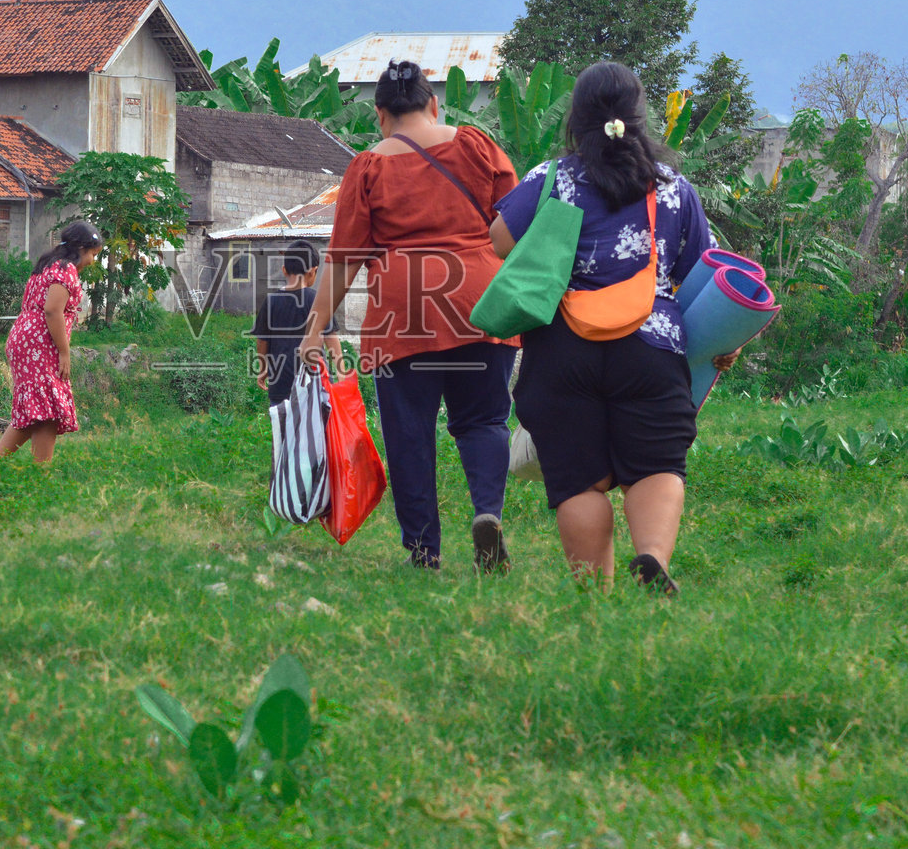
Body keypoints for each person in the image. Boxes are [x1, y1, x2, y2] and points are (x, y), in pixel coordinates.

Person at [490, 61, 739, 594]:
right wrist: (722, 341)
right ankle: (650, 558)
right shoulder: (674, 189)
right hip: (650, 347)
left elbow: (499, 241)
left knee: (580, 479)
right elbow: (704, 273)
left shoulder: (551, 178)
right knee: (657, 463)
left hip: (562, 349)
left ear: (576, 119)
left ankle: (594, 598)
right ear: (639, 118)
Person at [300, 60, 520, 572]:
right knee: (485, 419)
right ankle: (487, 513)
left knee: (409, 432)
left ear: (381, 115)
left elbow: (344, 256)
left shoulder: (368, 166)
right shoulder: (476, 145)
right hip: (480, 303)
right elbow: (517, 220)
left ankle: (425, 551)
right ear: (434, 103)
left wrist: (316, 330)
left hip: (403, 312)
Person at [0, 222, 103, 464]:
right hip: (39, 343)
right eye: (93, 254)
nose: (92, 261)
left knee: (38, 408)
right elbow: (53, 311)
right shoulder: (66, 270)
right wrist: (64, 353)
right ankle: (40, 476)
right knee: (48, 411)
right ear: (82, 248)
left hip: (24, 338)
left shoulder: (47, 265)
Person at [253, 239, 343, 406]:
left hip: (280, 385)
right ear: (313, 271)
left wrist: (263, 367)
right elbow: (330, 338)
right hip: (315, 383)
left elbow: (262, 341)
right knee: (317, 430)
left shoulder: (271, 301)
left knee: (283, 430)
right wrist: (341, 371)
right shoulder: (317, 300)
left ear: (284, 270)